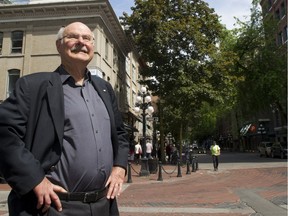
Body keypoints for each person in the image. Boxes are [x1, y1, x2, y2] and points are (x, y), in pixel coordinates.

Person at [0, 22, 129, 216]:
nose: (81, 42)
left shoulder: (104, 88)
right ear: (59, 45)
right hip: (54, 207)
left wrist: (120, 166)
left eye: (87, 38)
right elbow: (4, 134)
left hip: (104, 204)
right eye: (72, 37)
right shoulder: (33, 86)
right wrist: (34, 179)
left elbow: (119, 133)